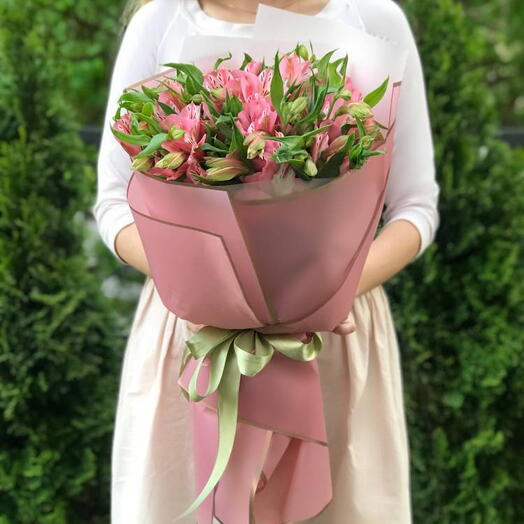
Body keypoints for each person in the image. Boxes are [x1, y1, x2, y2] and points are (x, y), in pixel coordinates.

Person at [91, 0, 440, 522]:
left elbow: (416, 208)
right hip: (196, 335)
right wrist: (217, 291)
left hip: (330, 337)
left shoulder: (373, 18)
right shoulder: (162, 20)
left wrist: (326, 296)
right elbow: (114, 203)